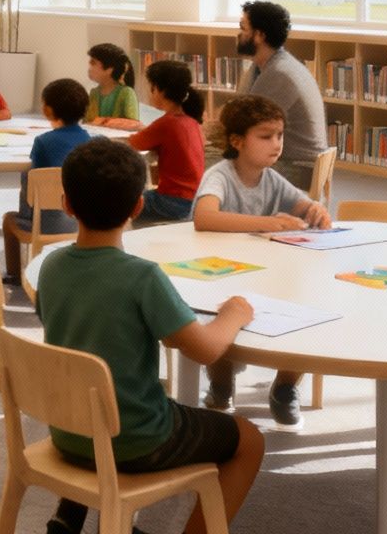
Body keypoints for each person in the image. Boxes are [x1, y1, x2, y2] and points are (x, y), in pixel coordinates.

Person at [35, 137, 264, 534]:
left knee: (100, 383)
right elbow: (207, 350)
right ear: (139, 207)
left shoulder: (50, 267)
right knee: (249, 439)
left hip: (69, 432)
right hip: (138, 440)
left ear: (67, 203)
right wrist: (233, 314)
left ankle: (71, 516)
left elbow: (83, 327)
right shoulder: (143, 277)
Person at [193, 94, 331, 430]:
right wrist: (268, 222)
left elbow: (303, 205)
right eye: (266, 136)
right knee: (224, 314)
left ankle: (285, 387)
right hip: (223, 274)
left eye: (280, 135)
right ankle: (221, 387)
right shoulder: (222, 175)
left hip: (266, 273)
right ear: (237, 142)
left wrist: (316, 211)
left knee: (308, 310)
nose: (276, 144)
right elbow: (204, 216)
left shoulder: (271, 177)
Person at [0, 78, 87, 283]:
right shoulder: (92, 141)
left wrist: (26, 213)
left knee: (7, 220)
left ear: (47, 110)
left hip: (46, 223)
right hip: (83, 222)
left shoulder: (43, 142)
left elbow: (33, 185)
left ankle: (14, 274)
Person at [236, 0, 328, 193]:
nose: (238, 34)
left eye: (243, 28)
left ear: (259, 35)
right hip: (287, 160)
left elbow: (245, 125)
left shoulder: (279, 73)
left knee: (206, 162)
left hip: (297, 167)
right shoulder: (262, 67)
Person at [126, 59, 206, 223]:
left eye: (151, 88)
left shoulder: (167, 122)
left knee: (126, 203)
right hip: (195, 199)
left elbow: (134, 143)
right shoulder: (191, 121)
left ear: (159, 90)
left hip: (173, 201)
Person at [82, 42, 141, 130]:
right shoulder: (94, 93)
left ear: (109, 69)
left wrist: (102, 122)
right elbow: (87, 122)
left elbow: (134, 124)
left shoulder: (126, 93)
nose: (89, 68)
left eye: (93, 63)